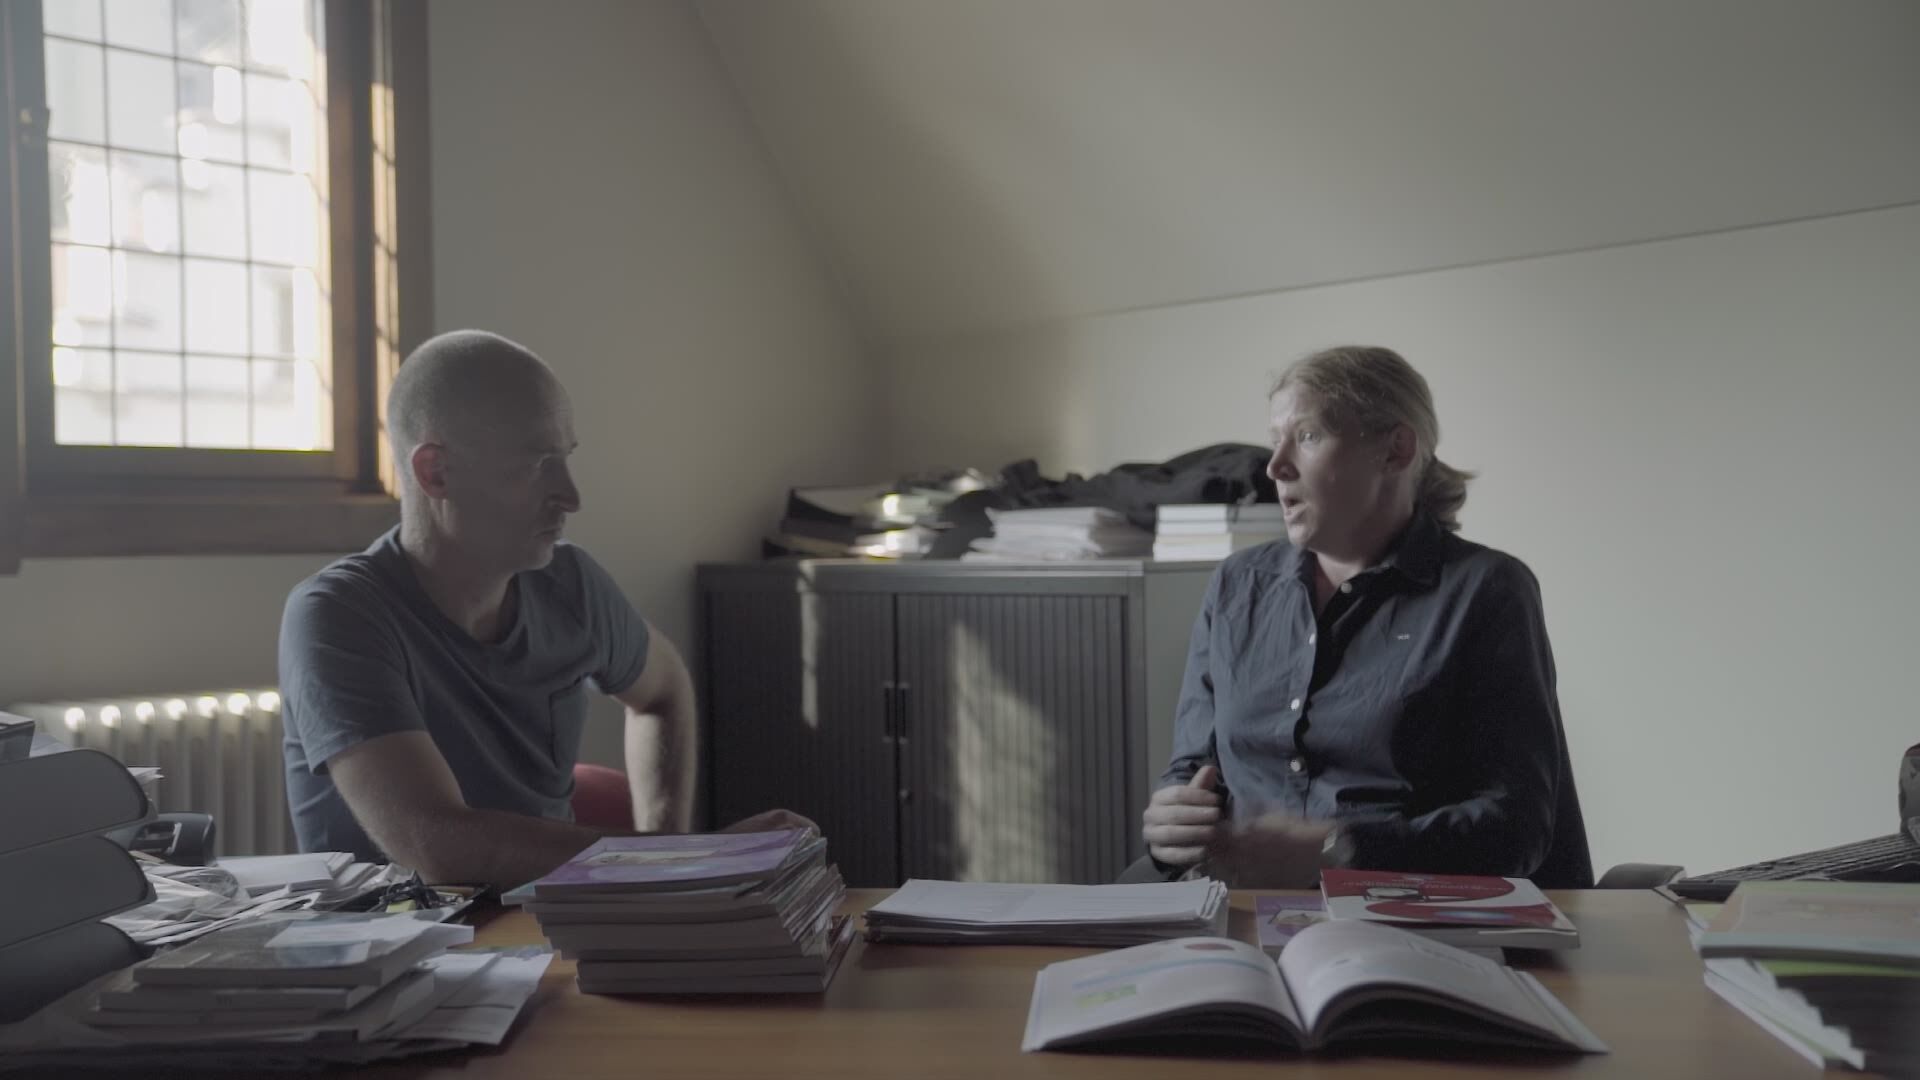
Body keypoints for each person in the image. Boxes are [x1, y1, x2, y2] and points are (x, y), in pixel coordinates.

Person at [278, 330, 809, 887]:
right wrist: (689, 857)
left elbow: (664, 688)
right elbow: (437, 845)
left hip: (547, 926)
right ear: (435, 472)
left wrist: (663, 870)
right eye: (536, 464)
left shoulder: (570, 584)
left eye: (566, 459)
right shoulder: (337, 615)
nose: (571, 496)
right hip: (399, 939)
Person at [1139, 345, 1592, 888]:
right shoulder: (1237, 585)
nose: (1275, 466)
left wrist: (1339, 851)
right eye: (1275, 439)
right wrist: (1172, 821)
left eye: (1307, 436)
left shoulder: (1486, 590)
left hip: (1398, 912)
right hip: (1230, 900)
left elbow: (1516, 826)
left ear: (1395, 450)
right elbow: (1191, 768)